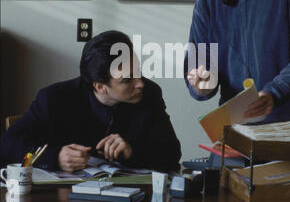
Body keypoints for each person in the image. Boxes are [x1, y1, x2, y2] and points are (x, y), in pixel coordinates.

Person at [0, 31, 181, 172]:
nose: (140, 83)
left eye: (138, 72)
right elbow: (8, 146)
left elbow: (172, 154)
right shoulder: (54, 99)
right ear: (100, 87)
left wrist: (131, 151)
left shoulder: (150, 93)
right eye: (128, 80)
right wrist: (55, 157)